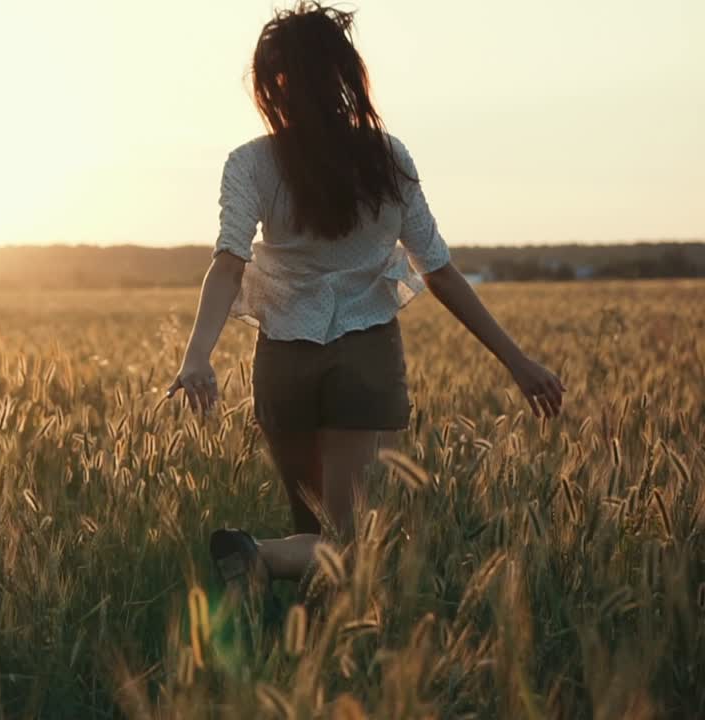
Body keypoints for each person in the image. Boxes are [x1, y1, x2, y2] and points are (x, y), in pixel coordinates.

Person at [165, 3, 566, 596]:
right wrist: (517, 361)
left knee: (316, 532)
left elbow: (228, 263)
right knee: (346, 545)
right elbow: (441, 272)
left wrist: (197, 356)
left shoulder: (249, 162)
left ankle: (289, 624)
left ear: (273, 86)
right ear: (343, 75)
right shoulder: (386, 156)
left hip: (283, 361)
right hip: (365, 359)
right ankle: (259, 558)